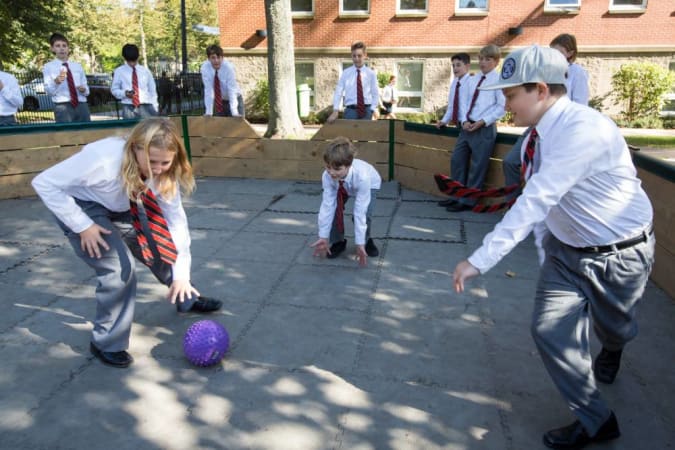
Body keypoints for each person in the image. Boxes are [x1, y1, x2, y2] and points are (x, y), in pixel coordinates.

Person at [452, 45, 654, 449]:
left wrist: (480, 259)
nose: (505, 103)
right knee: (548, 329)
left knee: (614, 327)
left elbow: (535, 200)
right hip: (567, 251)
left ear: (540, 90)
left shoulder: (582, 130)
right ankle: (597, 420)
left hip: (619, 254)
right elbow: (545, 210)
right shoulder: (539, 135)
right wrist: (549, 259)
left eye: (510, 95)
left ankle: (613, 345)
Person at [31, 118, 223, 368]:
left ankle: (185, 296)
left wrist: (182, 276)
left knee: (160, 244)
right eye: (151, 161)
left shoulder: (165, 173)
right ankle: (106, 342)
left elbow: (175, 224)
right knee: (119, 269)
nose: (157, 168)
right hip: (82, 206)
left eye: (165, 162)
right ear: (135, 147)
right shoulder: (103, 159)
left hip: (123, 204)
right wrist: (82, 225)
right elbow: (44, 182)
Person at [446, 44, 505, 212]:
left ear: (495, 61)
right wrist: (464, 120)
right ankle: (456, 196)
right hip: (467, 126)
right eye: (481, 59)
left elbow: (501, 107)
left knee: (477, 166)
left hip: (484, 127)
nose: (483, 62)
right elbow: (464, 102)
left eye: (487, 59)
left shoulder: (499, 81)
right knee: (457, 160)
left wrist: (482, 121)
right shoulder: (473, 79)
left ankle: (468, 201)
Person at [311, 137, 381, 266]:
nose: (331, 172)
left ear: (349, 165)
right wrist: (323, 236)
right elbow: (327, 206)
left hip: (370, 184)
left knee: (364, 215)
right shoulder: (328, 176)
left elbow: (360, 211)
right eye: (328, 167)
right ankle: (338, 241)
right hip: (341, 185)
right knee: (334, 211)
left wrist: (359, 243)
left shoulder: (363, 176)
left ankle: (366, 241)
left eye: (337, 169)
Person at [435, 52, 472, 207]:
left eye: (458, 65)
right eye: (453, 66)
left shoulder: (471, 82)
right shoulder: (454, 83)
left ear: (467, 66)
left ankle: (464, 199)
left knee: (467, 164)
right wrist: (444, 121)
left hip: (470, 125)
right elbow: (451, 106)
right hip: (459, 125)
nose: (455, 68)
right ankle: (455, 196)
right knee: (457, 162)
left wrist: (466, 121)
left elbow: (469, 106)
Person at [43, 32, 91, 123]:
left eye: (64, 46)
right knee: (66, 136)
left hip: (81, 105)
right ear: (52, 49)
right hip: (63, 107)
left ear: (68, 48)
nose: (62, 48)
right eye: (58, 46)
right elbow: (49, 92)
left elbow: (86, 89)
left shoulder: (77, 66)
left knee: (86, 134)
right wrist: (56, 82)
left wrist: (84, 90)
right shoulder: (48, 67)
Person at [327, 41, 379, 123]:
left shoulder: (371, 73)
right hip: (350, 111)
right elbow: (338, 92)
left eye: (359, 56)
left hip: (366, 111)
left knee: (364, 135)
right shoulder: (346, 73)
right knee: (350, 135)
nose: (356, 59)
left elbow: (375, 93)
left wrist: (372, 109)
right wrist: (335, 110)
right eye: (354, 56)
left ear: (365, 55)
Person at [112, 44, 159, 119]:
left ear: (138, 57)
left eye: (134, 60)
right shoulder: (119, 71)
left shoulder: (145, 71)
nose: (132, 64)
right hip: (128, 108)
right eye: (129, 61)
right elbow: (114, 90)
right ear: (124, 58)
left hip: (147, 106)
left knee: (149, 130)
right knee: (130, 130)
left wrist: (155, 107)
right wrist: (125, 93)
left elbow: (152, 91)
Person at [200, 44, 244, 117]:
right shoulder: (205, 68)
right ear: (208, 59)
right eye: (213, 58)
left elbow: (232, 90)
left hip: (235, 98)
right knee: (221, 126)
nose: (216, 60)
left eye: (218, 57)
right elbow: (208, 90)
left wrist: (234, 112)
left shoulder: (228, 68)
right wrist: (208, 112)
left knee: (238, 126)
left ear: (222, 58)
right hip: (220, 101)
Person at [550, 33, 590, 106]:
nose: (554, 56)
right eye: (552, 52)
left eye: (559, 52)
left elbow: (580, 103)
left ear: (570, 53)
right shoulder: (547, 69)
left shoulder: (577, 72)